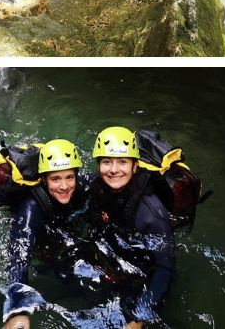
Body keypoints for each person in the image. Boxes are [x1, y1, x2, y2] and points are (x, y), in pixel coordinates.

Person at [87, 126, 175, 329]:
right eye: (106, 162)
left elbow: (165, 268)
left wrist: (140, 316)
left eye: (122, 162)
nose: (114, 169)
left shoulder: (151, 213)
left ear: (135, 166)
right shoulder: (98, 186)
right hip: (113, 258)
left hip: (145, 271)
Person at [2, 139, 88, 329]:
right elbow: (19, 258)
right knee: (66, 279)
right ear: (44, 179)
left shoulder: (82, 188)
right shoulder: (31, 209)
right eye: (55, 179)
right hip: (43, 241)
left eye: (69, 177)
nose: (65, 186)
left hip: (66, 229)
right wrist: (18, 310)